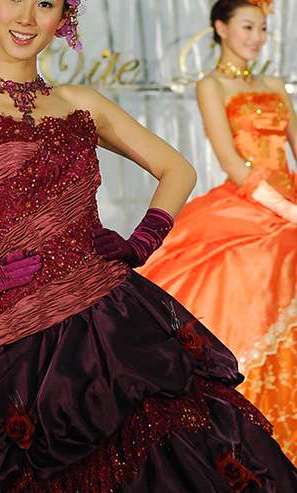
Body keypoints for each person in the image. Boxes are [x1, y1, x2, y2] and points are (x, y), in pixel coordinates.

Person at [0, 0, 296, 493]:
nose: (26, 18)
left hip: (114, 312)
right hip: (23, 330)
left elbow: (178, 169)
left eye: (45, 4)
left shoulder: (80, 100)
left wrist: (141, 242)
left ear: (63, 18)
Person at [141, 0, 296, 462]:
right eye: (248, 27)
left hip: (290, 195)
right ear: (221, 28)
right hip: (250, 201)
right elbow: (231, 161)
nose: (256, 38)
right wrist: (287, 211)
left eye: (263, 29)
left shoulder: (275, 84)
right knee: (274, 257)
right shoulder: (211, 85)